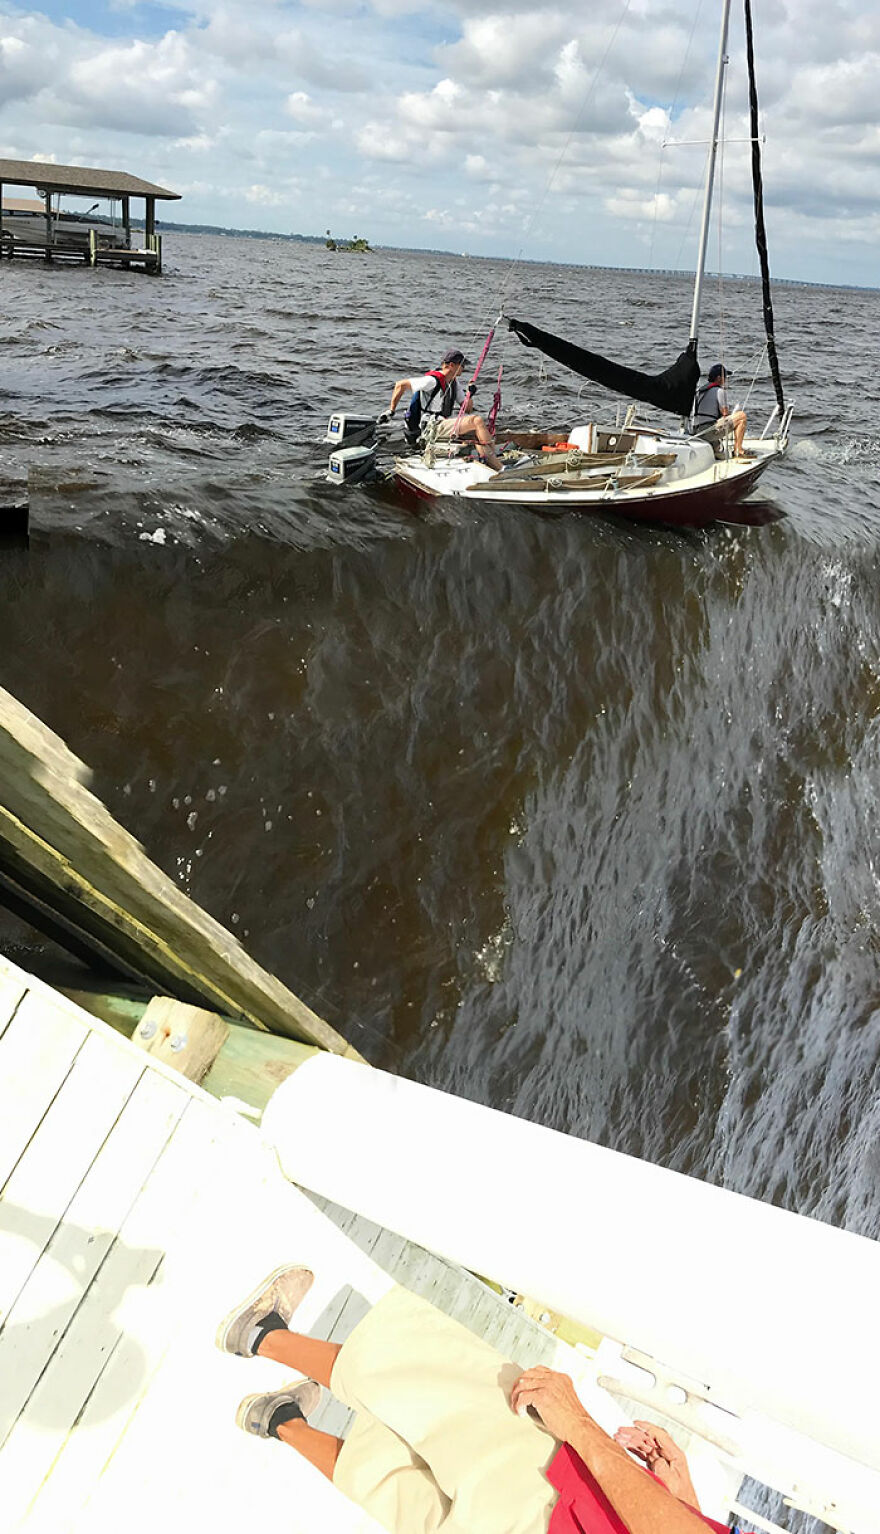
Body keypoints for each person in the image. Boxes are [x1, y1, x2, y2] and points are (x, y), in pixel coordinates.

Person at [217, 1264, 741, 1534]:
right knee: (404, 1496)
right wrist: (685, 1510)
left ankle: (259, 1334)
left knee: (428, 1382)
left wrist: (579, 1426)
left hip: (559, 1509)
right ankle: (279, 1420)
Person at [383, 347, 503, 470]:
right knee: (476, 421)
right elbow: (400, 385)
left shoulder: (454, 383)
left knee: (476, 431)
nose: (464, 368)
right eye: (462, 365)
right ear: (451, 365)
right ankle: (495, 461)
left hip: (443, 422)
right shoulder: (431, 381)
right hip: (431, 426)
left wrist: (469, 394)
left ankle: (493, 464)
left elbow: (468, 409)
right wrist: (391, 410)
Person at [690, 364, 748, 458]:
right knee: (741, 416)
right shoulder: (719, 391)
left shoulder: (699, 391)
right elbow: (724, 413)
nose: (726, 379)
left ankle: (716, 450)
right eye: (725, 377)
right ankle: (738, 451)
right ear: (719, 378)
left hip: (696, 430)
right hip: (708, 431)